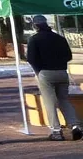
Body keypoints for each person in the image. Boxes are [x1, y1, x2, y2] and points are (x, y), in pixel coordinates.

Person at [26, 14, 82, 142]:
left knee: (50, 103)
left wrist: (38, 69)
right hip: (62, 72)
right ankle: (75, 125)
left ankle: (56, 131)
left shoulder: (34, 39)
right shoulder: (60, 38)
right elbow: (68, 56)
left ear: (35, 26)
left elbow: (31, 58)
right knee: (64, 100)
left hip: (45, 73)